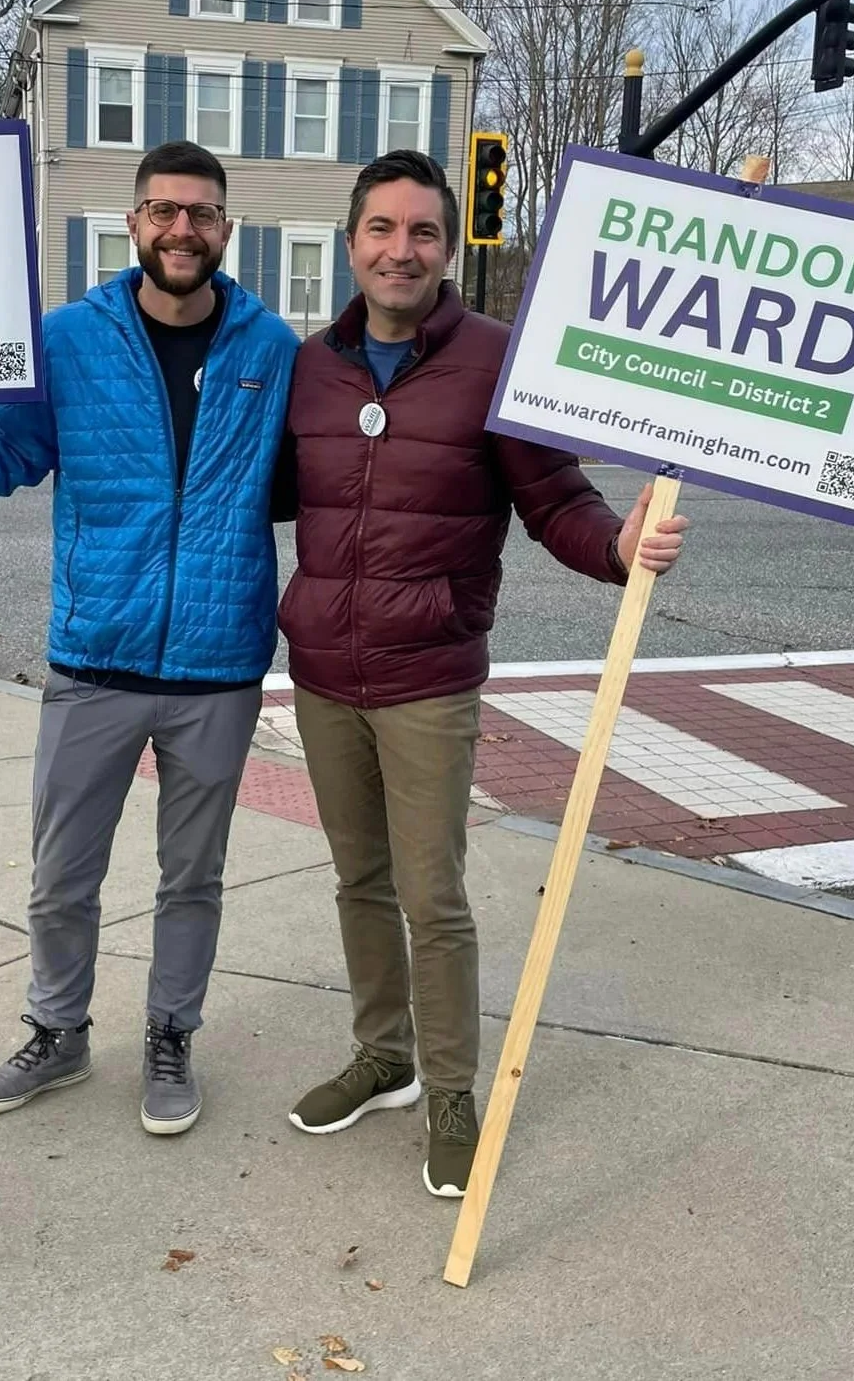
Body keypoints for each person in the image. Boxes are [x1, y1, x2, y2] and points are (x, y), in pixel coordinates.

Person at [0, 141, 297, 1136]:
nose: (184, 228)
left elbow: (330, 474)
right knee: (61, 874)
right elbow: (0, 449)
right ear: (133, 224)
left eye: (203, 213)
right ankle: (57, 1031)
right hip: (95, 659)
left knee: (193, 877)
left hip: (217, 668)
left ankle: (171, 1033)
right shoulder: (71, 340)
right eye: (165, 210)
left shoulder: (272, 350)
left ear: (226, 227)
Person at [279, 148, 688, 1199]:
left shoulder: (499, 360)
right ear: (352, 240)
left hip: (428, 676)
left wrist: (616, 542)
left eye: (421, 231)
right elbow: (268, 488)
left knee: (432, 893)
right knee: (357, 879)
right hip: (322, 670)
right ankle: (385, 1054)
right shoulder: (311, 365)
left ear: (447, 248)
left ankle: (451, 1090)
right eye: (382, 228)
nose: (399, 249)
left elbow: (556, 498)